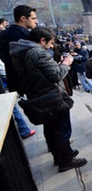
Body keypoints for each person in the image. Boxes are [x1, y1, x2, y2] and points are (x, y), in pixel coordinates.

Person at [10, 26, 86, 172]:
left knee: (51, 129)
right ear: (42, 40)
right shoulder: (39, 53)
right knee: (61, 130)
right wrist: (66, 64)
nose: (51, 46)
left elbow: (41, 73)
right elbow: (57, 76)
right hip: (51, 98)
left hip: (38, 96)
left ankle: (61, 154)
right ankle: (66, 160)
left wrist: (56, 65)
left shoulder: (21, 52)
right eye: (50, 43)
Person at [0, 5, 37, 139]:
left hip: (15, 79)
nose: (36, 22)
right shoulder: (25, 35)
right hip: (30, 80)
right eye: (33, 18)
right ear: (23, 18)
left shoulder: (5, 34)